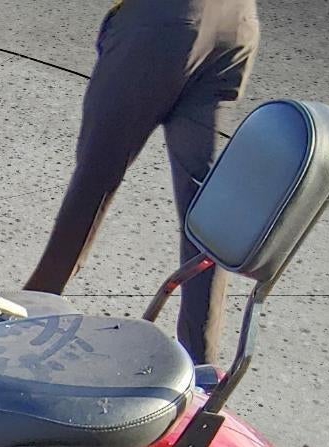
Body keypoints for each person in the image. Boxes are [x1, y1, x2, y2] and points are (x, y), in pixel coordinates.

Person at [24, 0, 260, 364]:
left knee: (95, 179)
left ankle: (27, 315)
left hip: (160, 26)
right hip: (235, 22)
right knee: (203, 209)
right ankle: (200, 364)